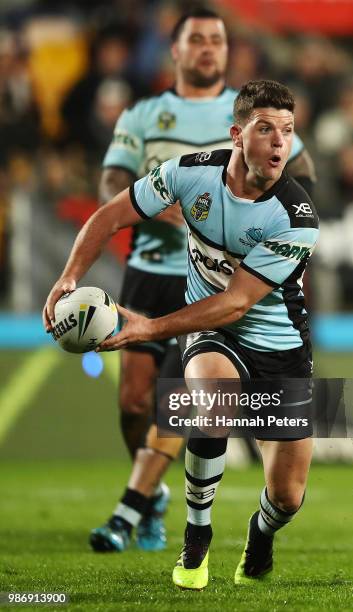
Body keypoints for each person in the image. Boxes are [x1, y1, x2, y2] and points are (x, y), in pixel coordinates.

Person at [43, 79, 319, 589]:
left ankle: (260, 536)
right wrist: (70, 276)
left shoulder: (296, 217)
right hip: (212, 333)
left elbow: (238, 301)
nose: (280, 143)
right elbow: (109, 215)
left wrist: (150, 326)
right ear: (237, 135)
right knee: (213, 397)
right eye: (266, 129)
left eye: (288, 130)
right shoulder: (189, 174)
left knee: (287, 497)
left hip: (280, 344)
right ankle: (197, 541)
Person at [89, 8, 316, 554]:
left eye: (218, 39)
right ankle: (165, 507)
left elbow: (302, 178)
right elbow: (113, 186)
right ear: (176, 50)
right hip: (152, 269)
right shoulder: (145, 114)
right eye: (198, 40)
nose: (209, 49)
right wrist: (169, 210)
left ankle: (133, 506)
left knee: (195, 405)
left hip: (233, 292)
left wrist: (279, 223)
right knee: (135, 401)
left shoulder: (260, 111)